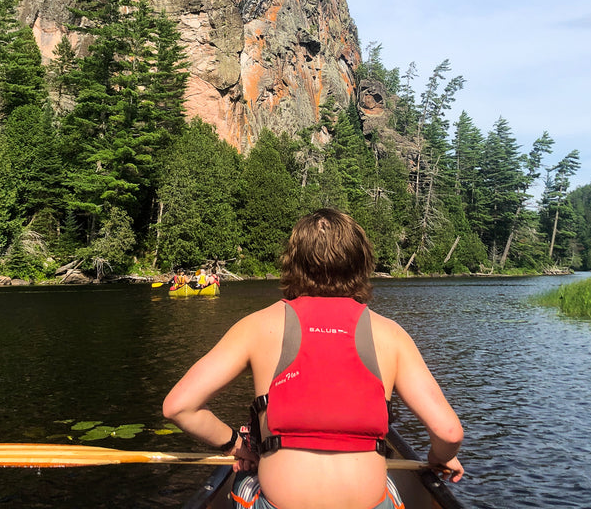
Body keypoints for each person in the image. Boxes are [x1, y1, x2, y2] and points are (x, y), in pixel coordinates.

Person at [162, 208, 464, 509]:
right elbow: (448, 431)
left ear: (293, 263)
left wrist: (236, 446)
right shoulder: (392, 335)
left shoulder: (256, 326)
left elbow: (179, 406)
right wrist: (441, 457)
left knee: (244, 473)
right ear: (361, 264)